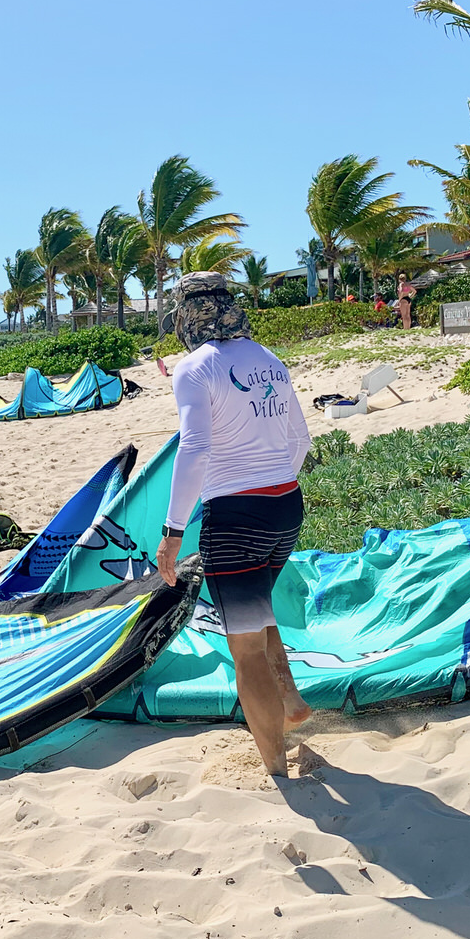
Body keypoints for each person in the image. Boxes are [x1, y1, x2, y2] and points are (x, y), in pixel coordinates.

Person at [156, 272, 313, 777]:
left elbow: (195, 448)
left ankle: (277, 768)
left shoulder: (195, 368)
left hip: (236, 517)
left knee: (243, 648)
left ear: (185, 315)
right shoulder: (269, 360)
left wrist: (174, 530)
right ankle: (290, 702)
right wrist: (271, 478)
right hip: (286, 505)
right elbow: (300, 439)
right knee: (257, 611)